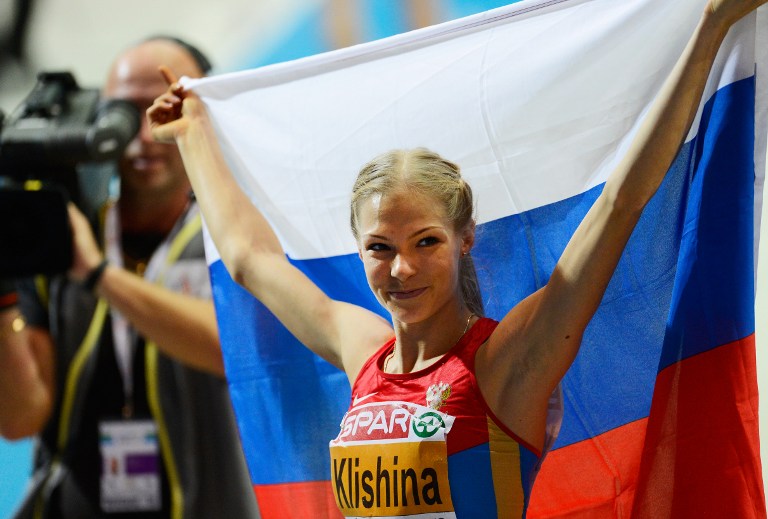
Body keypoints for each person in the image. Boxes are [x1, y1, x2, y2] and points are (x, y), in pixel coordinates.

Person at [148, 0, 766, 516]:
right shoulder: (361, 352)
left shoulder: (507, 364)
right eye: (380, 249)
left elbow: (621, 206)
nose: (402, 269)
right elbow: (252, 260)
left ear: (465, 238)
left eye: (426, 242)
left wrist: (710, 26)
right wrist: (193, 136)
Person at [0, 37, 259, 518]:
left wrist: (99, 275)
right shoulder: (55, 236)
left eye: (165, 106)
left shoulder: (238, 236)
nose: (144, 134)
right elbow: (20, 418)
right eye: (122, 114)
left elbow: (235, 351)